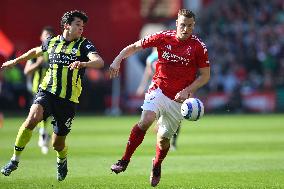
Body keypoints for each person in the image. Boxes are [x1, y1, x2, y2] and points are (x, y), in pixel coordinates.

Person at [109, 9, 210, 187]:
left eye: (189, 26)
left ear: (193, 26)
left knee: (163, 141)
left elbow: (205, 76)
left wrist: (188, 90)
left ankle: (156, 164)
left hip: (178, 100)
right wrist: (118, 59)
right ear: (176, 24)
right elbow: (134, 47)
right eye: (182, 25)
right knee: (146, 120)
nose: (185, 29)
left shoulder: (198, 47)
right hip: (158, 89)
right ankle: (124, 160)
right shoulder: (163, 37)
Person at [0, 10, 104, 181]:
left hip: (68, 100)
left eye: (83, 26)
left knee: (57, 143)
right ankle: (14, 160)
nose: (81, 29)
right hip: (47, 91)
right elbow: (35, 51)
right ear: (67, 26)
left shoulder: (84, 45)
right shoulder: (52, 42)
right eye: (78, 24)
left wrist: (83, 63)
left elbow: (99, 61)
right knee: (32, 117)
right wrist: (15, 61)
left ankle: (61, 159)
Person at [136, 47, 181, 151]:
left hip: (167, 88)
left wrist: (142, 86)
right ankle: (169, 140)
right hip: (159, 88)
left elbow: (148, 72)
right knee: (173, 116)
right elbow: (148, 73)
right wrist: (142, 86)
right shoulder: (154, 57)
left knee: (173, 116)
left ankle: (166, 134)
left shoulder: (157, 56)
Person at [24, 26, 55, 154]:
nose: (48, 37)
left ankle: (45, 134)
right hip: (38, 88)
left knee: (45, 114)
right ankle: (43, 134)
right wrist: (38, 64)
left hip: (54, 88)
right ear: (41, 37)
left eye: (50, 35)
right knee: (39, 114)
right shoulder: (37, 52)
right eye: (46, 35)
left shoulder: (56, 52)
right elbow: (26, 71)